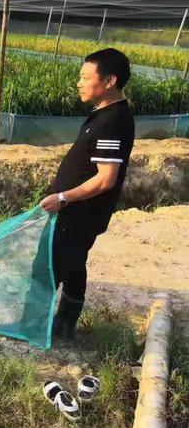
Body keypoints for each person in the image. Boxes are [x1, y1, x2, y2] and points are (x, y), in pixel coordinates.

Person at [40, 48, 134, 340]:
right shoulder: (104, 114)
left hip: (78, 213)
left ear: (109, 81)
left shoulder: (113, 121)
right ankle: (65, 324)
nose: (78, 83)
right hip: (78, 212)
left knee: (48, 269)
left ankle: (36, 325)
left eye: (84, 77)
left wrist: (63, 198)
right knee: (74, 263)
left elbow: (106, 179)